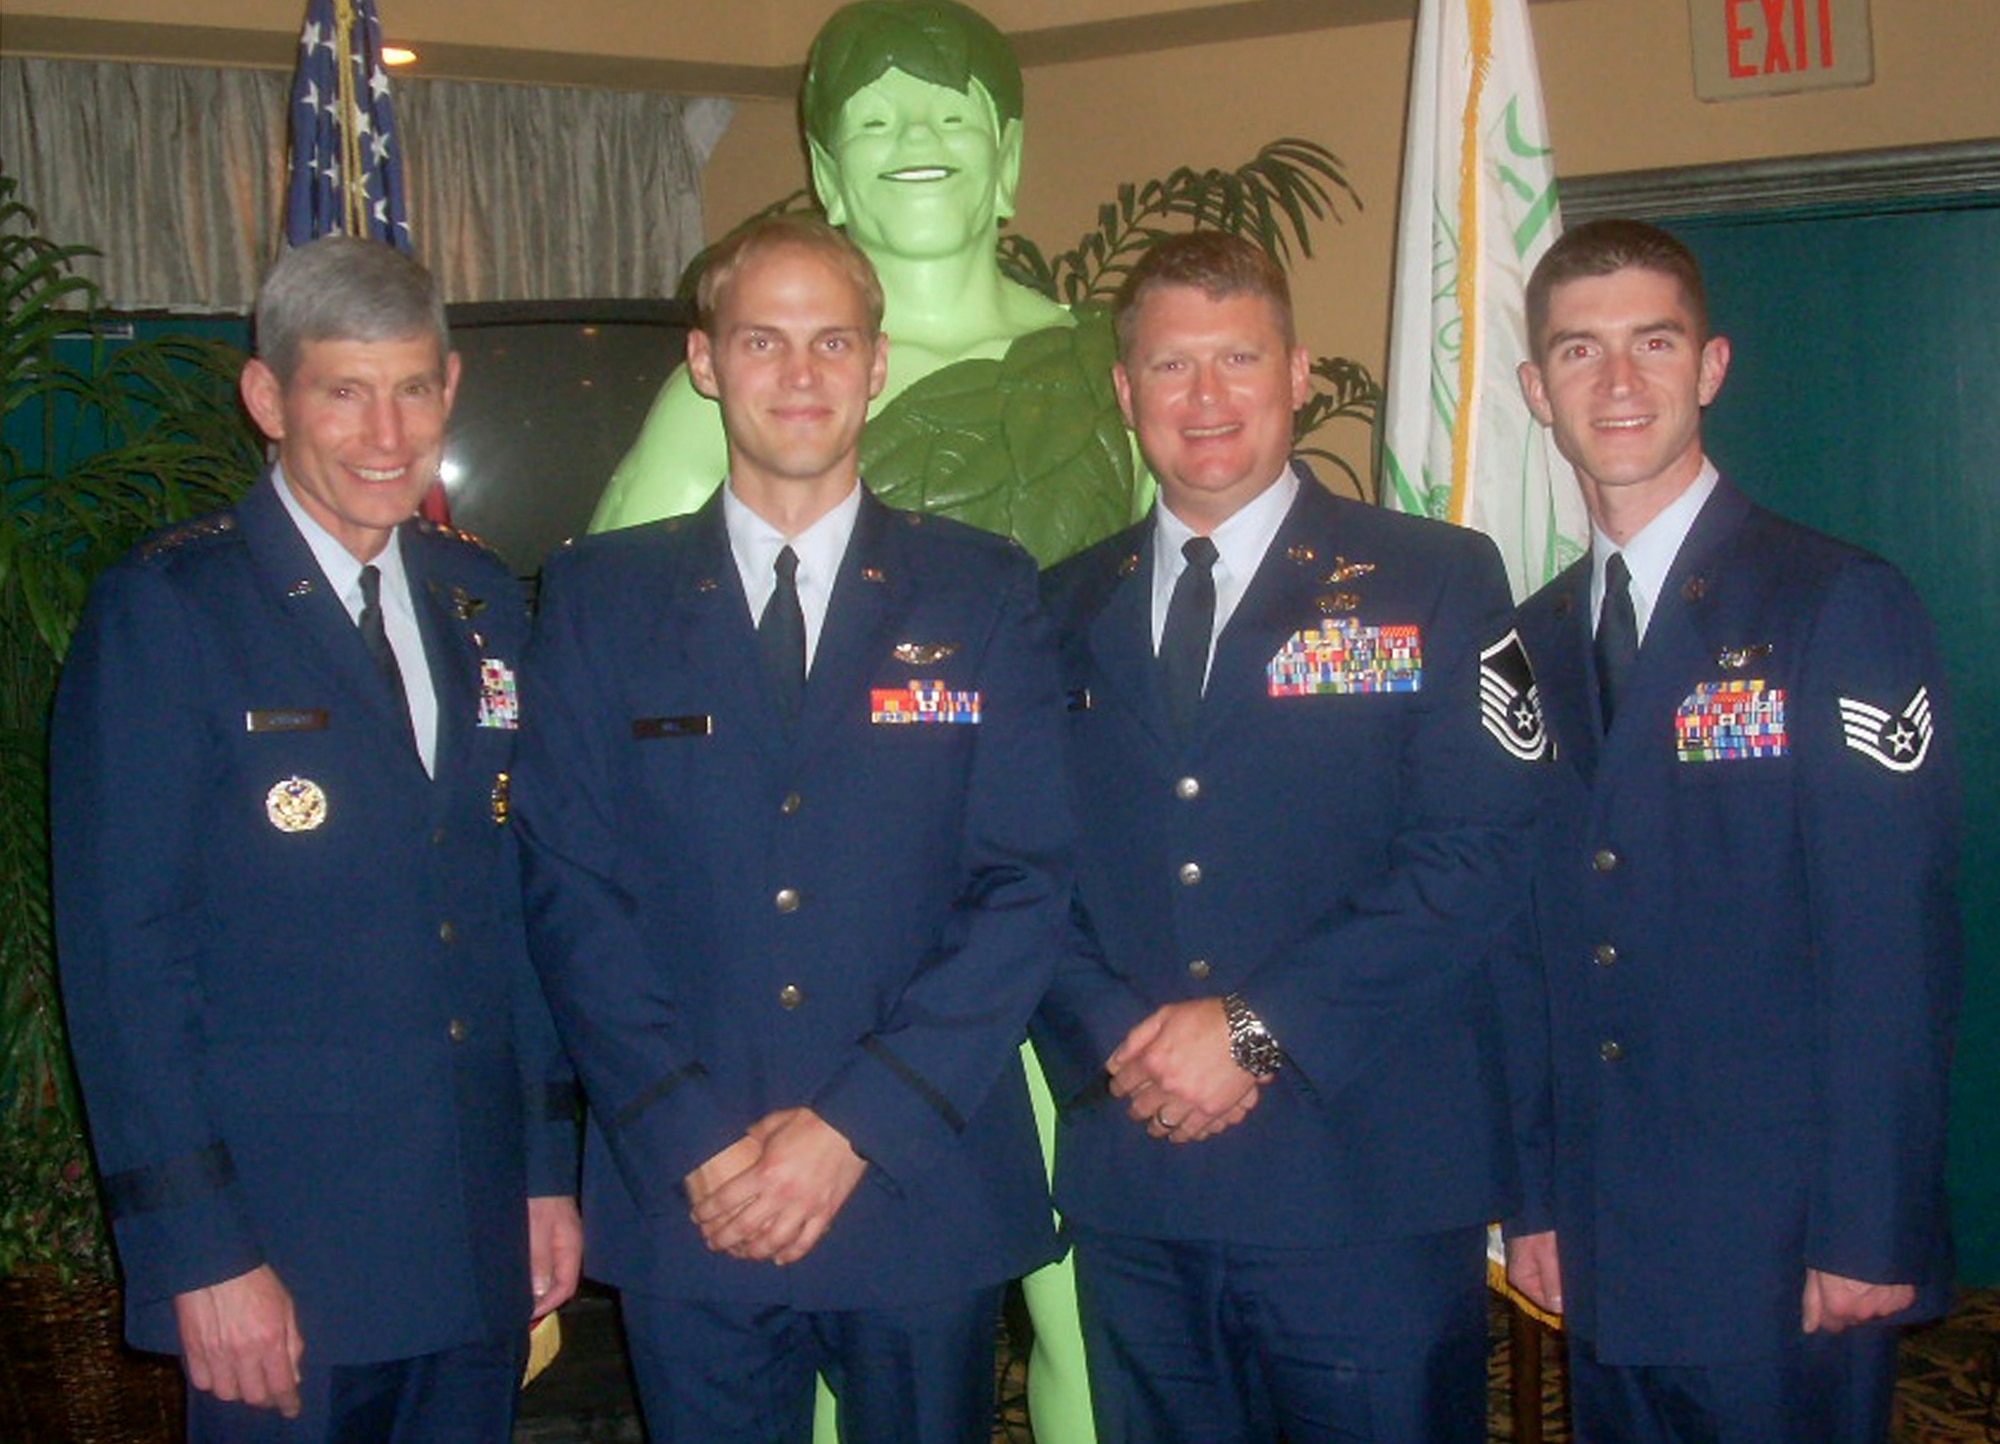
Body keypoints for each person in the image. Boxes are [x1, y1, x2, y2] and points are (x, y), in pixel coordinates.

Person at [512, 214, 1072, 1442]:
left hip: (915, 1185)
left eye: (832, 340)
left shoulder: (982, 590)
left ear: (877, 364)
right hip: (689, 1194)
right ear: (706, 362)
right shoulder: (600, 595)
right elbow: (569, 889)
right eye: (763, 339)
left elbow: (1024, 882)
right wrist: (691, 1137)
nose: (801, 373)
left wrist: (847, 1132)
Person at [51, 234, 583, 1442]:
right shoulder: (171, 610)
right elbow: (124, 960)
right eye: (344, 391)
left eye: (412, 388)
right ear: (267, 399)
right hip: (282, 1253)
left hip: (470, 1224)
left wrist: (547, 1170)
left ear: (448, 389)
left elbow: (515, 903)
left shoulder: (480, 597)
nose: (386, 433)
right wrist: (199, 1250)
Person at [1035, 230, 1546, 1443]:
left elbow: (1477, 852)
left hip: (1358, 1179)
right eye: (1169, 366)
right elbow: (1016, 867)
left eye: (1237, 358)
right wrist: (1118, 1040)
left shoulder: (1432, 577)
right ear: (1124, 391)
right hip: (1138, 1178)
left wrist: (1259, 1033)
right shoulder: (1056, 604)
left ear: (1298, 372)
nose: (1204, 398)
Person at [1503, 217, 1963, 1443]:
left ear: (1709, 367)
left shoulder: (1833, 603)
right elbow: (1530, 946)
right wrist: (1532, 1199)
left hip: (1784, 1241)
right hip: (1603, 1235)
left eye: (1651, 343)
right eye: (1578, 350)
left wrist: (1870, 1228)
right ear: (1533, 387)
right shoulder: (1530, 639)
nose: (1616, 383)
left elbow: (1891, 942)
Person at [592, 0, 1145, 567]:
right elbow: (616, 600)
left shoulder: (1111, 360)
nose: (916, 139)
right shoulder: (751, 379)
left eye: (954, 118)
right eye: (875, 123)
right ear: (827, 172)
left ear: (1007, 156)